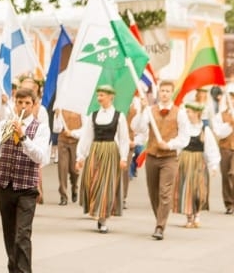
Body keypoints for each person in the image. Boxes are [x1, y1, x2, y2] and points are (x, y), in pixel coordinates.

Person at [0, 88, 51, 273]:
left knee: (22, 233)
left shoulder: (41, 128)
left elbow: (40, 157)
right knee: (9, 233)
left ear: (34, 105)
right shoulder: (5, 124)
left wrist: (23, 136)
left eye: (27, 103)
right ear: (15, 103)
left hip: (27, 187)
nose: (23, 107)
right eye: (19, 103)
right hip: (5, 184)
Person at [132, 82, 190, 240]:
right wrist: (142, 109)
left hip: (169, 158)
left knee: (165, 192)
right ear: (159, 93)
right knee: (153, 192)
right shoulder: (150, 111)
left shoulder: (180, 113)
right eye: (162, 91)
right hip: (152, 156)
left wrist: (170, 144)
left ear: (172, 93)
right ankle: (159, 217)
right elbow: (139, 128)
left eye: (167, 91)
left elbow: (185, 137)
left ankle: (160, 226)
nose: (164, 93)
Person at [75, 84, 129, 233]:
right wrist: (80, 156)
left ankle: (102, 218)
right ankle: (96, 210)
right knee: (92, 181)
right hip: (95, 150)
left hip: (111, 151)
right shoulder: (93, 115)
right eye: (98, 95)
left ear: (111, 97)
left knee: (106, 184)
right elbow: (86, 137)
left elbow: (124, 138)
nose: (99, 98)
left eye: (102, 95)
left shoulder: (119, 116)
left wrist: (123, 157)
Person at [174, 102, 221, 227]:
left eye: (189, 111)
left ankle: (197, 214)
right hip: (185, 160)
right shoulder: (184, 128)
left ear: (196, 113)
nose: (187, 114)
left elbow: (211, 148)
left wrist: (213, 165)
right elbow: (178, 144)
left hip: (198, 161)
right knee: (186, 189)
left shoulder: (204, 130)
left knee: (199, 189)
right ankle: (189, 217)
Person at [53, 106, 82, 205]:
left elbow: (85, 130)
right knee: (62, 168)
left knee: (74, 170)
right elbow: (56, 129)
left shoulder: (81, 109)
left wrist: (73, 133)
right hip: (63, 142)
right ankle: (63, 195)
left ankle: (74, 186)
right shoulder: (61, 109)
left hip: (76, 142)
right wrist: (57, 116)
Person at [218, 86, 234, 215]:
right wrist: (229, 124)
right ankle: (229, 204)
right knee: (225, 176)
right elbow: (219, 133)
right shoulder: (222, 115)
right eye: (231, 98)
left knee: (232, 174)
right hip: (225, 148)